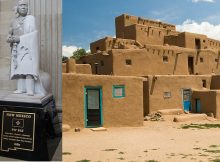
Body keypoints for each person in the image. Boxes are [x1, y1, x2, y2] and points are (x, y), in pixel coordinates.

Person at [7, 0, 42, 96]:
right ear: (17, 8)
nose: (23, 7)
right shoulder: (13, 21)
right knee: (19, 70)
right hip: (17, 49)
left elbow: (34, 34)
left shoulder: (31, 18)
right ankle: (21, 89)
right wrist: (9, 39)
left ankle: (30, 90)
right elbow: (9, 34)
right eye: (21, 5)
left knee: (28, 69)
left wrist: (20, 38)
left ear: (28, 8)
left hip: (28, 49)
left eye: (25, 5)